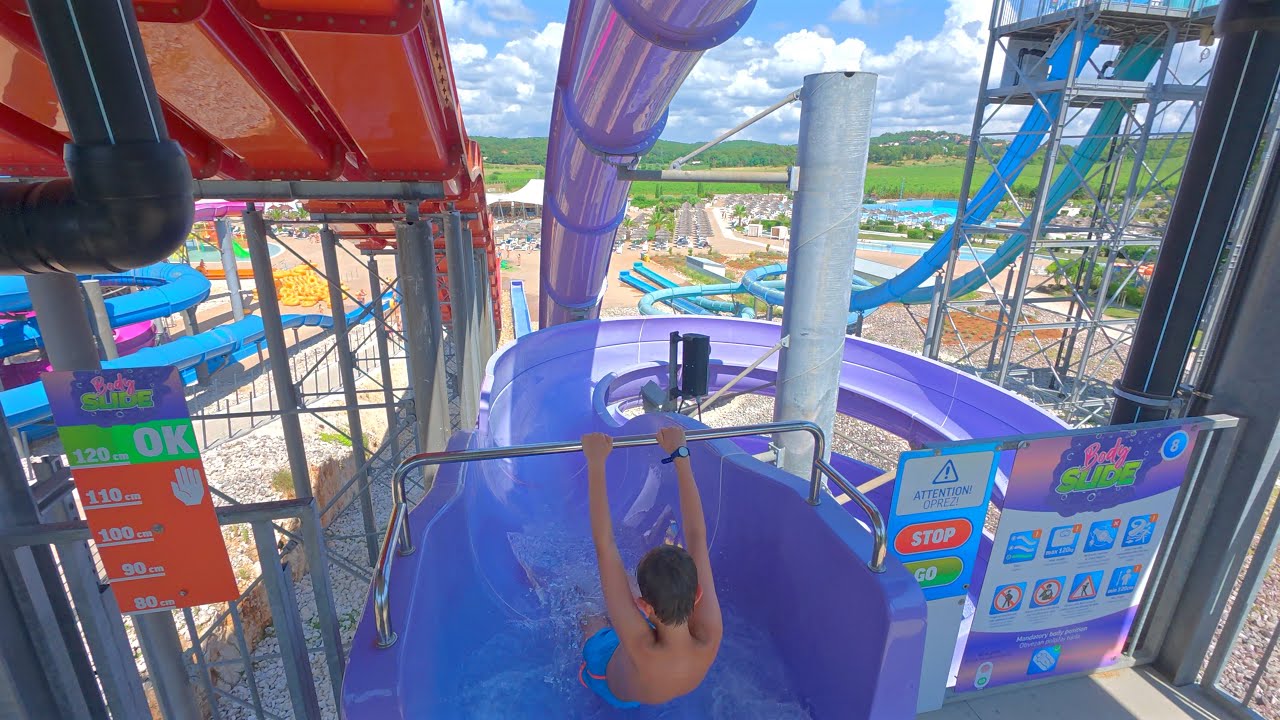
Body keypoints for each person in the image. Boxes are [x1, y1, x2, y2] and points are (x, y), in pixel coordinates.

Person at [578, 427, 723, 709]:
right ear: (697, 593)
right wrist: (680, 456)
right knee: (631, 584)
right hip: (648, 684)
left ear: (644, 607)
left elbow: (605, 546)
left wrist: (595, 463)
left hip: (606, 680)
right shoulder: (709, 632)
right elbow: (696, 535)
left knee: (586, 611)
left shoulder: (642, 646)